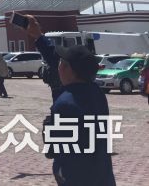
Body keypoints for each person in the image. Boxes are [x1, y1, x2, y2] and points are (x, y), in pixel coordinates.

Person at [46, 43, 117, 186]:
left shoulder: (64, 104)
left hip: (78, 177)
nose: (58, 67)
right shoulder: (97, 93)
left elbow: (57, 151)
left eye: (61, 63)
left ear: (69, 70)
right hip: (102, 173)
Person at [24, 15, 64, 100]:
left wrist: (38, 35)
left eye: (64, 65)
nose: (60, 68)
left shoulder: (67, 99)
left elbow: (53, 57)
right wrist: (38, 36)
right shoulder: (92, 91)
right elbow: (52, 56)